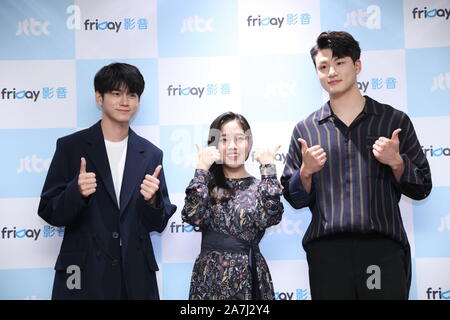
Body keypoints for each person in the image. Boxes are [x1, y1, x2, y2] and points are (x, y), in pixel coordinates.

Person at [281, 31, 432, 300]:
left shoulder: (393, 121)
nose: (332, 72)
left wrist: (397, 162)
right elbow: (294, 199)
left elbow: (422, 186)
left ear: (357, 65)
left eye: (340, 63)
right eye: (323, 67)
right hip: (328, 255)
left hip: (381, 251)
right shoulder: (306, 130)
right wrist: (305, 172)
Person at [38, 62, 176, 299]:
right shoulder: (70, 147)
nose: (125, 101)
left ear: (138, 101)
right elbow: (49, 211)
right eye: (116, 93)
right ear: (99, 98)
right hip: (83, 273)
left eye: (132, 94)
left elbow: (158, 223)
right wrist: (76, 191)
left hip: (134, 276)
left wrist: (152, 201)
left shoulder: (151, 154)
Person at [182, 111, 284, 300]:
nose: (233, 146)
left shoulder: (259, 187)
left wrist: (268, 170)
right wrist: (201, 170)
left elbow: (269, 217)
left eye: (239, 139)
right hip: (210, 278)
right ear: (214, 145)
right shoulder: (206, 184)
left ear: (249, 143)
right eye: (224, 140)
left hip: (249, 276)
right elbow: (193, 216)